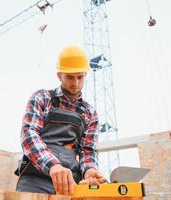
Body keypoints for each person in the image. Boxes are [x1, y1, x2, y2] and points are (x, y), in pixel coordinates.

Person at [15, 45, 105, 195]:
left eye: (80, 77)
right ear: (59, 75)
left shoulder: (90, 113)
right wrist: (53, 165)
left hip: (69, 184)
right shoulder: (42, 98)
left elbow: (87, 150)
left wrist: (89, 169)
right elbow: (29, 135)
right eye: (70, 77)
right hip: (35, 181)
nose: (75, 83)